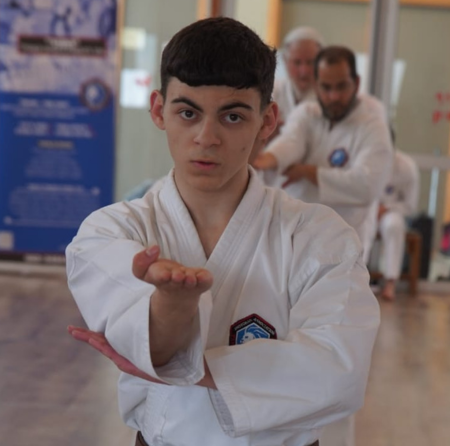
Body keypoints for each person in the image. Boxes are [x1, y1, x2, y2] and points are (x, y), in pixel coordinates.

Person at [66, 18, 380, 446]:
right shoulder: (112, 231)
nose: (206, 137)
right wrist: (172, 306)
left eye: (232, 116)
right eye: (187, 112)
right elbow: (145, 346)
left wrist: (189, 367)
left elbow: (339, 372)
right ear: (158, 110)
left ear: (267, 121)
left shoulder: (320, 237)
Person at [253, 45, 393, 264]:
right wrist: (266, 160)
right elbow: (291, 142)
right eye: (326, 87)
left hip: (345, 243)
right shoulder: (306, 114)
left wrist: (309, 172)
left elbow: (368, 185)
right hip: (296, 234)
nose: (334, 96)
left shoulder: (372, 127)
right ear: (316, 85)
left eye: (341, 86)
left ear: (356, 83)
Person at [376, 150, 420, 300]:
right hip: (363, 209)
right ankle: (353, 279)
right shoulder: (361, 156)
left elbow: (410, 206)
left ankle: (391, 282)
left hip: (391, 211)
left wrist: (386, 208)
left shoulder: (406, 166)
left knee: (394, 225)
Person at [273, 26, 324, 125]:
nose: (304, 71)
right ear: (285, 61)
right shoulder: (271, 91)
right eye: (297, 62)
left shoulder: (331, 97)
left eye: (310, 62)